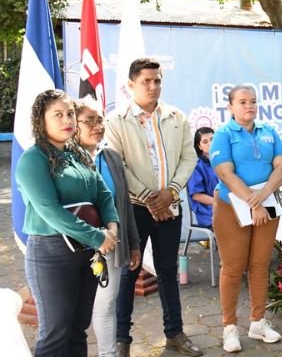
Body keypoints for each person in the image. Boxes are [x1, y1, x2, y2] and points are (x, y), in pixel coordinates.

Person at [104, 58, 201, 357]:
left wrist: (170, 192)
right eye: (146, 81)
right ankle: (122, 341)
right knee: (128, 274)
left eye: (157, 80)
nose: (153, 86)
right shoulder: (116, 120)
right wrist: (149, 196)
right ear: (131, 84)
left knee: (168, 271)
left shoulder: (176, 116)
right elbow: (116, 164)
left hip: (170, 205)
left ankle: (175, 334)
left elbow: (190, 158)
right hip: (134, 209)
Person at [16, 90, 119, 356]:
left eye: (70, 114)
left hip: (86, 255)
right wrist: (98, 237)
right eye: (58, 115)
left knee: (78, 330)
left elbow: (103, 194)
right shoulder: (33, 159)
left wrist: (112, 226)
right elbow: (49, 211)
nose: (67, 120)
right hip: (51, 256)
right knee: (55, 334)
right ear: (41, 120)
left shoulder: (79, 154)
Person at [209, 85, 282, 352]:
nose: (249, 106)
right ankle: (229, 327)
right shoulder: (223, 135)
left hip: (266, 205)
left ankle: (258, 322)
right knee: (232, 267)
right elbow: (226, 173)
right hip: (232, 207)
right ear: (230, 106)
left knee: (260, 265)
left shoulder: (269, 131)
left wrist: (263, 195)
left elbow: (281, 166)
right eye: (242, 102)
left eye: (253, 101)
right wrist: (254, 202)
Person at [73, 97, 142, 357]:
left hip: (110, 245)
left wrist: (133, 244)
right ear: (73, 123)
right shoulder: (63, 159)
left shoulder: (111, 157)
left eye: (100, 119)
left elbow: (125, 204)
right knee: (74, 311)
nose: (97, 125)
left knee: (106, 305)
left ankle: (108, 354)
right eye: (89, 120)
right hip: (73, 249)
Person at [188, 127, 219, 229]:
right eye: (205, 142)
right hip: (208, 211)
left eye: (212, 139)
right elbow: (196, 196)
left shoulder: (225, 160)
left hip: (229, 207)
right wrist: (220, 204)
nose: (210, 143)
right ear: (199, 146)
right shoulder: (196, 166)